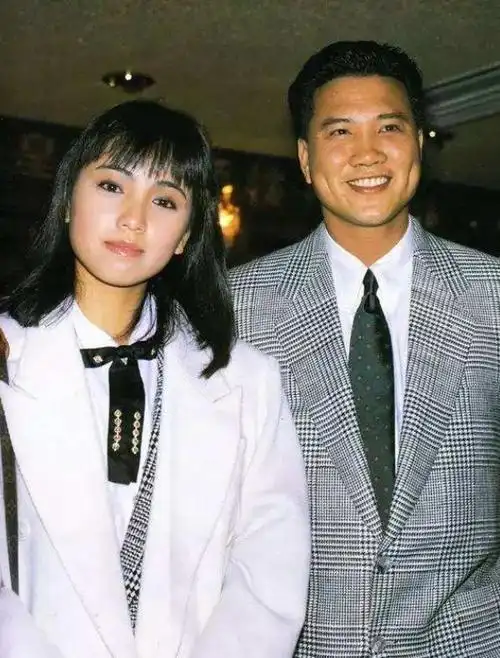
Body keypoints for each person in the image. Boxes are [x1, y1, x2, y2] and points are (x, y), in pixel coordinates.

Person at [0, 100, 310, 658]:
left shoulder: (248, 381)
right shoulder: (6, 357)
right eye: (112, 186)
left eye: (164, 200)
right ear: (67, 201)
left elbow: (269, 573)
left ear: (187, 234)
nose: (133, 218)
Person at [230, 40, 500, 657]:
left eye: (389, 127)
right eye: (340, 131)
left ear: (420, 144)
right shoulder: (233, 307)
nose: (368, 152)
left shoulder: (492, 294)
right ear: (305, 159)